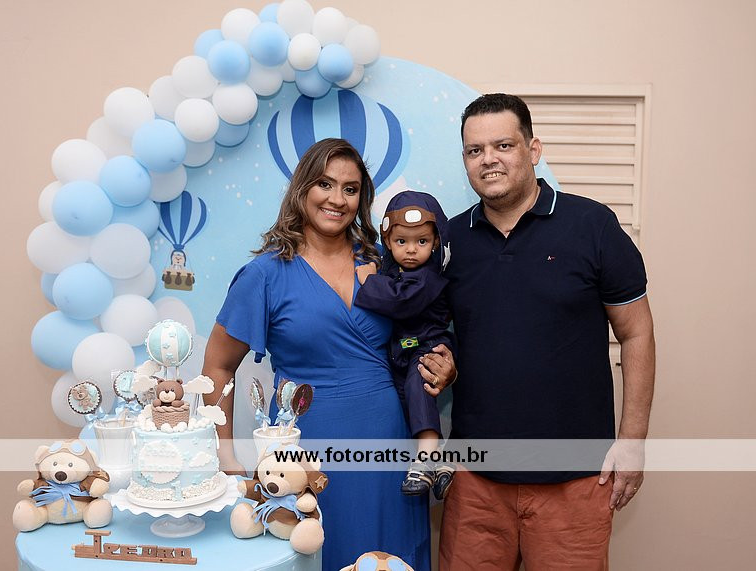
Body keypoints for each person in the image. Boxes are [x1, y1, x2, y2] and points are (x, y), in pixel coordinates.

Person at [201, 138, 455, 570]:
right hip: (305, 452)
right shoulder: (264, 274)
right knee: (318, 550)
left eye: (350, 189)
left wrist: (445, 365)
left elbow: (423, 332)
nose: (337, 199)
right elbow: (218, 367)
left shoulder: (385, 263)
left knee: (391, 557)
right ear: (302, 188)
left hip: (389, 445)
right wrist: (225, 456)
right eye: (325, 184)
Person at [435, 94, 656, 570]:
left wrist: (633, 440)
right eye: (475, 150)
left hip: (575, 480)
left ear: (533, 150)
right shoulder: (450, 241)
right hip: (476, 480)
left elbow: (637, 333)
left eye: (503, 145)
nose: (488, 159)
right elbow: (432, 330)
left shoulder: (592, 225)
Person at [353, 190, 455, 498]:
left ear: (435, 242)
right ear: (387, 241)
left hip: (427, 345)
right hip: (402, 349)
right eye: (401, 241)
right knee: (402, 401)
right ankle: (439, 461)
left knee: (418, 387)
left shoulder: (428, 277)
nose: (411, 250)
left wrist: (369, 281)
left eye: (421, 241)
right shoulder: (394, 270)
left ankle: (426, 457)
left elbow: (401, 302)